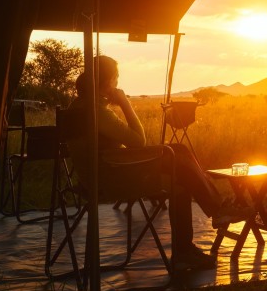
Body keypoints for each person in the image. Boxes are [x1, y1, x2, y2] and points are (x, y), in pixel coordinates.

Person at [69, 55, 253, 271]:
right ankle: (209, 220)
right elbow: (138, 141)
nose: (118, 83)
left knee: (179, 167)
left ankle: (199, 233)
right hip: (111, 180)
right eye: (116, 78)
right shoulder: (97, 111)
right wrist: (125, 103)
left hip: (99, 174)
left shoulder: (78, 106)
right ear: (108, 82)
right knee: (177, 156)